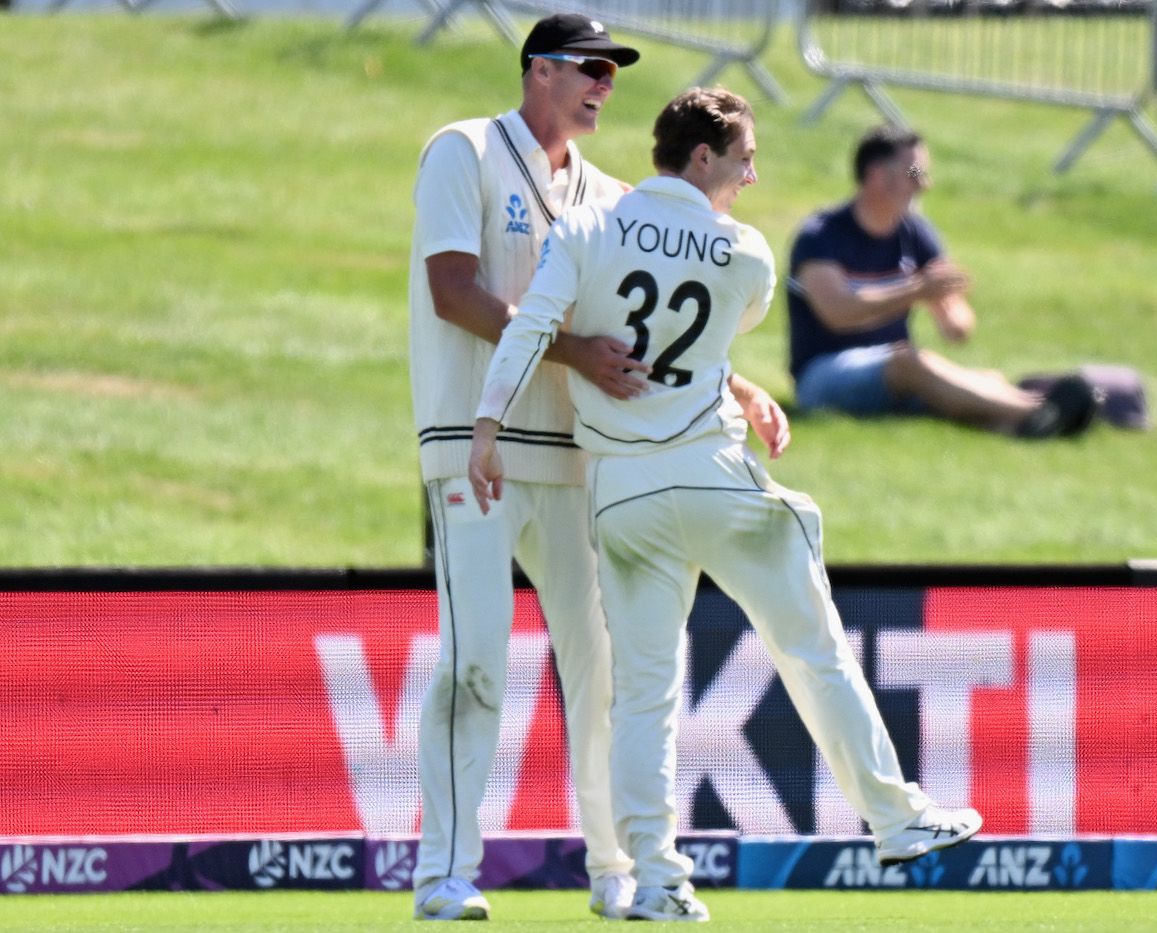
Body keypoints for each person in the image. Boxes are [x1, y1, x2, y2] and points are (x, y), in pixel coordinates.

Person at [467, 88, 982, 923]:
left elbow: (529, 330)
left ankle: (658, 881)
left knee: (642, 694)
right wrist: (735, 387)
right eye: (744, 157)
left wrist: (486, 427)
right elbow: (717, 331)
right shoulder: (744, 252)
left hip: (624, 494)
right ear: (701, 158)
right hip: (710, 474)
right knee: (812, 648)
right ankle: (896, 817)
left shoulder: (590, 226)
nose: (753, 173)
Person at [407, 15, 790, 922]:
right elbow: (452, 291)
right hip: (477, 443)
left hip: (581, 458)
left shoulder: (612, 198)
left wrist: (735, 384)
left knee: (603, 672)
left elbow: (649, 324)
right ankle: (445, 875)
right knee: (474, 663)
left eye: (613, 73)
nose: (604, 85)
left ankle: (617, 870)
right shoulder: (463, 151)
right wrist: (574, 351)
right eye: (589, 68)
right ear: (538, 70)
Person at [786, 124, 1097, 439]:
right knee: (912, 363)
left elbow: (956, 321)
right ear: (878, 175)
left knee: (981, 379)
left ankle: (1032, 419)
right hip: (822, 377)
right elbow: (836, 312)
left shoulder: (916, 233)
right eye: (915, 174)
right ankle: (1040, 412)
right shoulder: (821, 235)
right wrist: (916, 290)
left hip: (899, 366)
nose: (925, 184)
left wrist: (954, 317)